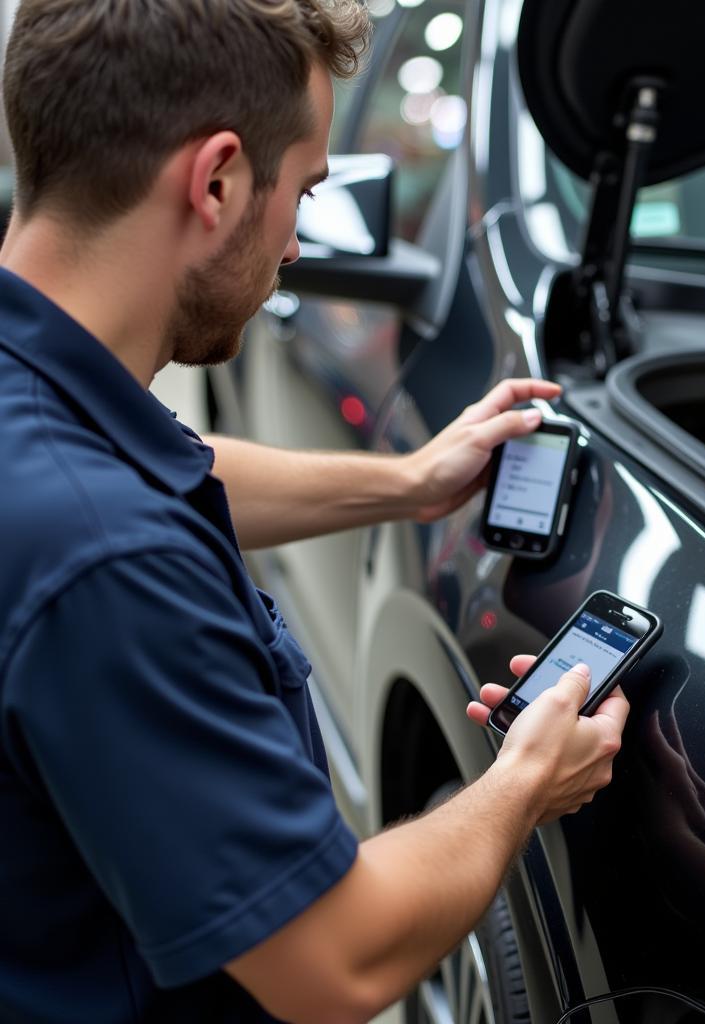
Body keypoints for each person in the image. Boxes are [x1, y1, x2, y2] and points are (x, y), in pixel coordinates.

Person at [0, 2, 629, 1022]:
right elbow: (334, 958)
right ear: (214, 183)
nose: (295, 247)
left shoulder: (40, 402)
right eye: (301, 192)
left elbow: (171, 465)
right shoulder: (108, 563)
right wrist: (523, 781)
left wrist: (416, 479)